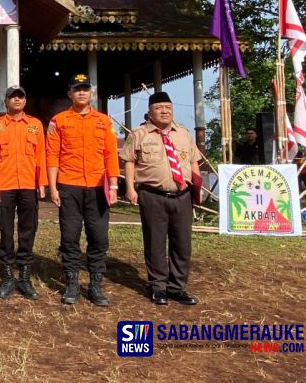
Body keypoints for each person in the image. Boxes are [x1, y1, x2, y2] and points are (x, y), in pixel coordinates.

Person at [46, 74, 119, 306]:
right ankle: (72, 283)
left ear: (91, 93)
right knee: (69, 237)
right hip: (69, 185)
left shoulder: (104, 121)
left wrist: (114, 185)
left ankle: (96, 284)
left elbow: (110, 154)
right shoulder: (59, 121)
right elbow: (52, 156)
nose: (81, 93)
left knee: (99, 237)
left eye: (85, 89)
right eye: (77, 89)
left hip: (98, 187)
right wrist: (53, 188)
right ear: (70, 93)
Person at [122, 91, 200, 306]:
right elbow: (129, 161)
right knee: (155, 242)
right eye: (159, 108)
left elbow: (193, 161)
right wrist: (130, 188)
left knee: (182, 243)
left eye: (168, 107)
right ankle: (158, 287)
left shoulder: (183, 134)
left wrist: (197, 186)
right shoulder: (139, 134)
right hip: (152, 195)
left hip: (182, 196)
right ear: (150, 111)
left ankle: (177, 287)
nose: (164, 111)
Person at [0, 85, 46, 300]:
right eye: (13, 97)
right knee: (6, 230)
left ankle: (25, 278)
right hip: (5, 185)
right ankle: (8, 277)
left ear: (25, 101)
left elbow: (41, 156)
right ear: (6, 101)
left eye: (20, 96)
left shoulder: (36, 125)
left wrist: (42, 182)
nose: (17, 100)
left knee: (28, 230)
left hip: (29, 184)